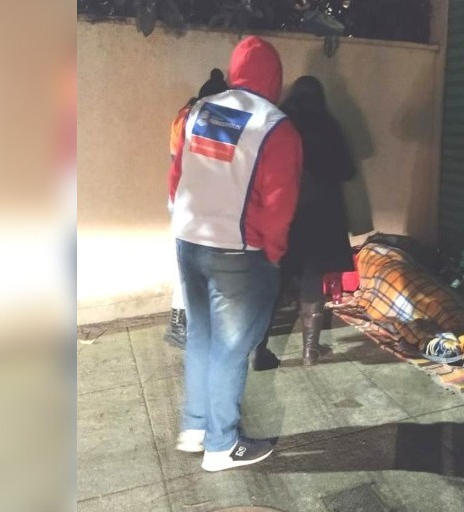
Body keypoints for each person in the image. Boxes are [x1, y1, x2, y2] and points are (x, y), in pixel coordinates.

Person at [169, 36, 302, 472]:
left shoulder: (198, 111)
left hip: (189, 241)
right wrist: (274, 253)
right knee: (231, 348)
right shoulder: (275, 125)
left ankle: (195, 427)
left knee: (202, 337)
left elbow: (177, 174)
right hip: (239, 253)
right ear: (274, 77)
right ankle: (222, 444)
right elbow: (279, 201)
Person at [253, 76, 357, 370]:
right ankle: (310, 352)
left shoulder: (277, 125)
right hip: (321, 216)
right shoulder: (327, 125)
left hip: (284, 213)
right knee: (313, 282)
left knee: (273, 284)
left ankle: (258, 351)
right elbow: (347, 170)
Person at [164, 68, 229, 349]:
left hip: (182, 198)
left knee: (187, 262)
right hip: (198, 200)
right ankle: (181, 323)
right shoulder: (205, 120)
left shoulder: (183, 117)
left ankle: (183, 322)